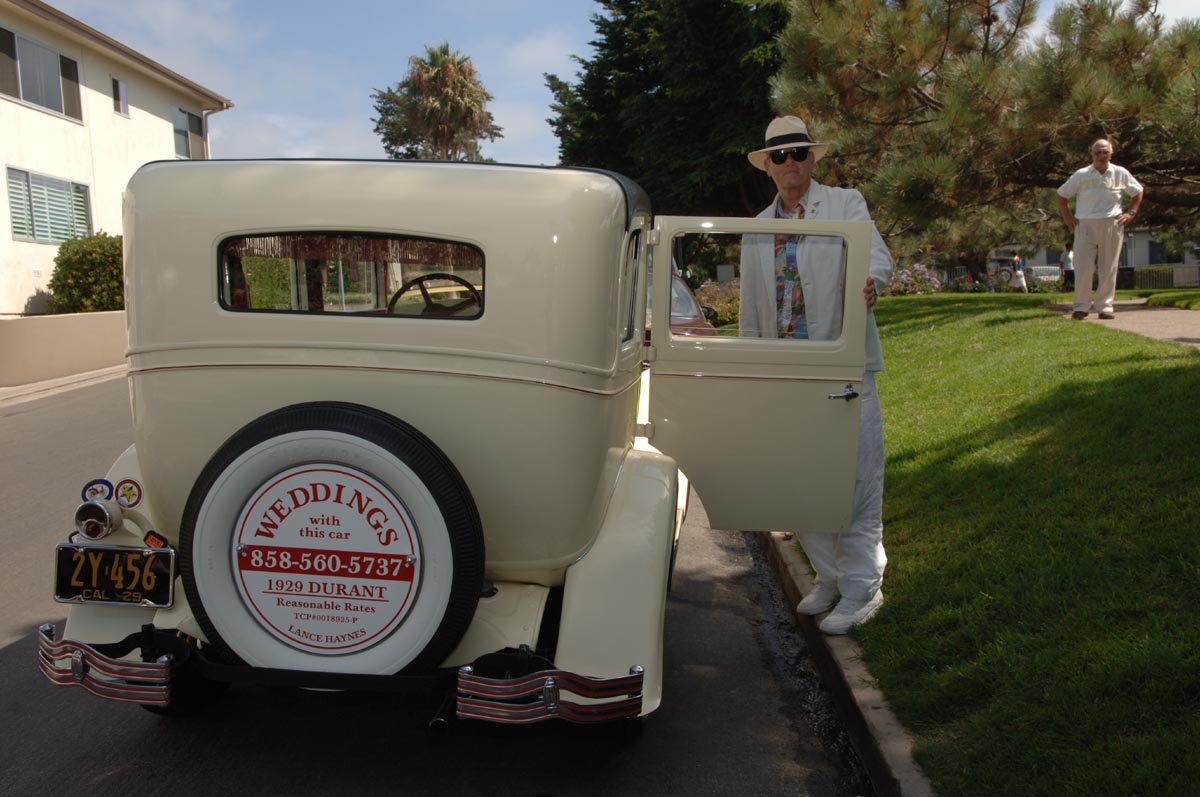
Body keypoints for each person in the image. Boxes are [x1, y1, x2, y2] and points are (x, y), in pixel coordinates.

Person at [740, 115, 894, 635]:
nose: (791, 163)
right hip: (788, 374)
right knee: (799, 481)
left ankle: (862, 588)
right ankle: (829, 577)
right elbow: (751, 309)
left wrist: (871, 282)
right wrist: (754, 371)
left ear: (812, 159)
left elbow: (877, 258)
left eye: (799, 154)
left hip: (844, 365)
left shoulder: (846, 204)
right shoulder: (758, 227)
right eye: (780, 156)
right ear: (768, 166)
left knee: (855, 479)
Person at [1056, 139, 1143, 320]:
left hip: (1112, 223)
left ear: (1111, 154)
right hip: (1085, 224)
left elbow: (1137, 191)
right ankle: (1081, 306)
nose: (1101, 156)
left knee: (1108, 267)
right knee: (1084, 266)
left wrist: (1131, 213)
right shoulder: (1081, 175)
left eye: (1105, 152)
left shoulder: (1120, 173)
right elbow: (1062, 195)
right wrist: (1068, 217)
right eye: (1098, 153)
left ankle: (1105, 307)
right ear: (1092, 154)